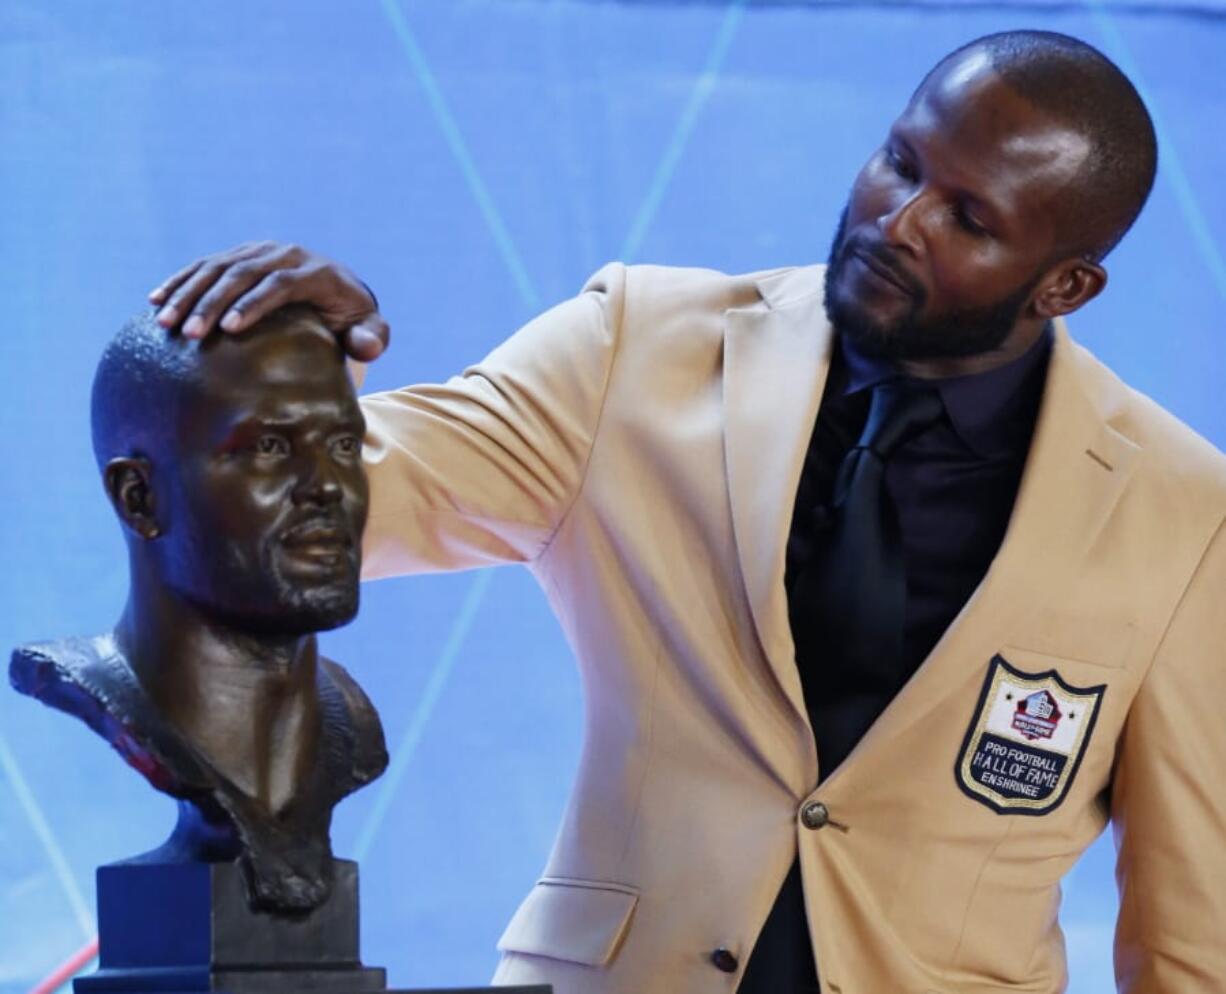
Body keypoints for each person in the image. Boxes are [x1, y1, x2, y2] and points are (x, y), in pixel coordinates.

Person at [144, 29, 1226, 994]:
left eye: (965, 217)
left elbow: (1192, 932)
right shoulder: (633, 347)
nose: (895, 220)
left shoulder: (1182, 510)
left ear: (1062, 286)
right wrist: (275, 376)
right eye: (898, 161)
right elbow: (301, 525)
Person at [11, 307, 387, 912]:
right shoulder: (102, 687)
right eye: (269, 446)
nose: (327, 485)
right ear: (140, 498)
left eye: (344, 445)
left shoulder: (351, 729)